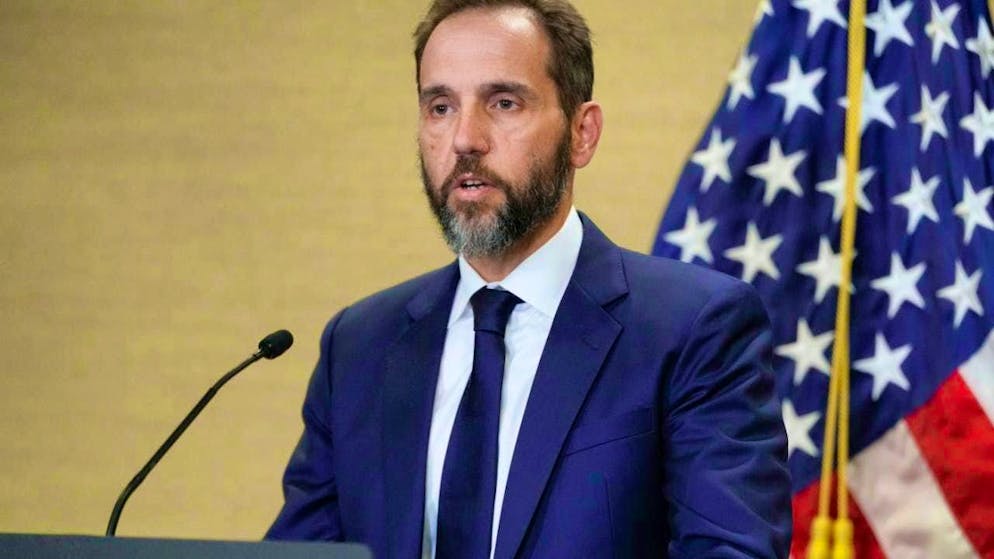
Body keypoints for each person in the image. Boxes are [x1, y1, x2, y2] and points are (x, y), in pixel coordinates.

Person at [266, 1, 792, 557]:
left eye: (503, 102)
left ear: (581, 133)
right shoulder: (359, 345)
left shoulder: (693, 329)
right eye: (440, 107)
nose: (465, 138)